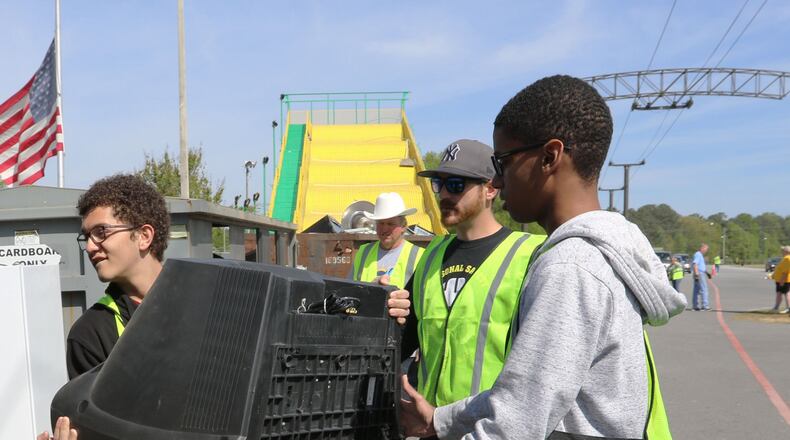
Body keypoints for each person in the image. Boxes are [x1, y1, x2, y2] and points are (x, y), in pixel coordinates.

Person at [399, 75, 686, 439]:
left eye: (503, 161)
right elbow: (525, 395)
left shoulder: (571, 266)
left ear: (550, 156)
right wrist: (440, 420)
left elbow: (516, 424)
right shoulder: (602, 253)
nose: (498, 181)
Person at [401, 139, 545, 410]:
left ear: (490, 188)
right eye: (438, 184)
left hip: (494, 428)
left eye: (456, 185)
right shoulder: (431, 254)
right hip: (431, 426)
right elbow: (404, 339)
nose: (443, 195)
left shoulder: (528, 255)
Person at [66, 174, 170, 379]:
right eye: (86, 236)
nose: (89, 247)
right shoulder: (90, 334)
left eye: (101, 232)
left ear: (144, 236)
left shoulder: (204, 300)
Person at [350, 192, 424, 289]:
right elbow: (350, 290)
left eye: (390, 224)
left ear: (404, 226)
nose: (384, 229)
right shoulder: (363, 252)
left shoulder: (419, 256)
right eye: (381, 223)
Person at [770, 245, 790, 313]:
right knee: (779, 293)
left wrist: (782, 280)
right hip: (781, 279)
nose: (782, 252)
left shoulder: (787, 258)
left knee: (786, 293)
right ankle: (776, 307)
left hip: (784, 280)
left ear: (786, 251)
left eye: (783, 250)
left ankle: (788, 308)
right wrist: (773, 275)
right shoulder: (785, 258)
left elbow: (785, 271)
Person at [692, 243, 711, 311]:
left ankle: (695, 306)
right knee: (704, 289)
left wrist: (707, 273)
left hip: (700, 273)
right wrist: (697, 274)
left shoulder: (700, 255)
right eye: (706, 249)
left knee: (696, 290)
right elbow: (695, 264)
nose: (706, 251)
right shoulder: (698, 254)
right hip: (699, 274)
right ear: (702, 248)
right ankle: (705, 306)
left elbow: (701, 266)